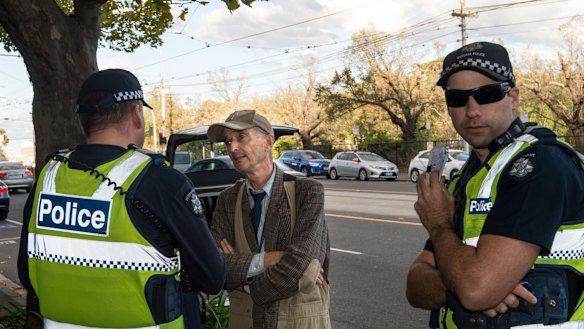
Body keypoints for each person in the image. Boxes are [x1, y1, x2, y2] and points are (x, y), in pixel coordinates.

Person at [17, 68, 226, 329]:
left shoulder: (48, 178)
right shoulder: (160, 181)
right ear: (137, 114)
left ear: (84, 120)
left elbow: (27, 273)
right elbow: (211, 278)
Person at [406, 41, 584, 329]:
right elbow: (415, 285)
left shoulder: (541, 164)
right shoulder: (471, 175)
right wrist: (457, 284)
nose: (472, 110)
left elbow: (475, 291)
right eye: (457, 98)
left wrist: (439, 225)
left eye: (486, 94)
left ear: (513, 98)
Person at [207, 109, 331, 329]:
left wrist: (244, 276)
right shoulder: (227, 201)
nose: (232, 148)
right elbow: (216, 267)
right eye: (227, 141)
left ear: (268, 141)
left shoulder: (307, 192)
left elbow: (299, 267)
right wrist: (269, 260)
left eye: (241, 137)